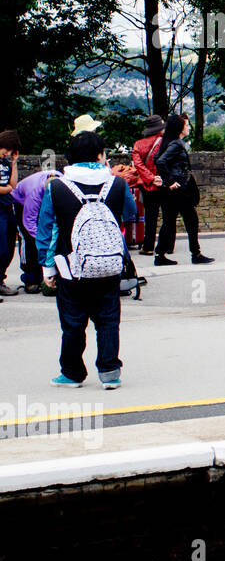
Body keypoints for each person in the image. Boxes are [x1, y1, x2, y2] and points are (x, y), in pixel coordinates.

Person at [35, 131, 135, 389]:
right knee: (109, 319)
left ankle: (72, 373)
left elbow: (45, 229)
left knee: (72, 322)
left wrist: (47, 268)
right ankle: (110, 372)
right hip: (109, 264)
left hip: (70, 267)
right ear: (102, 156)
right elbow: (131, 213)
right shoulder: (117, 184)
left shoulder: (55, 187)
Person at [153, 115, 214, 266]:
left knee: (168, 222)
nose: (188, 128)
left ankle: (160, 255)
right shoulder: (177, 144)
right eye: (186, 125)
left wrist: (167, 180)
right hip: (180, 189)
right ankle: (196, 254)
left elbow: (156, 158)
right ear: (179, 128)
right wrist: (170, 181)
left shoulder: (169, 143)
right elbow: (160, 161)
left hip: (171, 190)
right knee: (191, 220)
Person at [11, 169, 59, 292]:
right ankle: (31, 279)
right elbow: (29, 223)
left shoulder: (63, 183)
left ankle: (54, 276)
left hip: (45, 200)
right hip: (22, 203)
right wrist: (41, 239)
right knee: (29, 240)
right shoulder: (34, 194)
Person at [131, 115, 167, 256]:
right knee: (167, 215)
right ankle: (166, 246)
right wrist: (159, 178)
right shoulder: (164, 143)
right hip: (163, 182)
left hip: (145, 184)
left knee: (150, 216)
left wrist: (150, 178)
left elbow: (139, 165)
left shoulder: (138, 144)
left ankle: (148, 246)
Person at [0, 130, 20, 296]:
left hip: (7, 207)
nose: (7, 153)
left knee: (8, 247)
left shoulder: (6, 163)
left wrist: (13, 163)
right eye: (6, 149)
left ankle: (1, 279)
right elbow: (8, 188)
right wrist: (6, 189)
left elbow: (13, 185)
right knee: (1, 247)